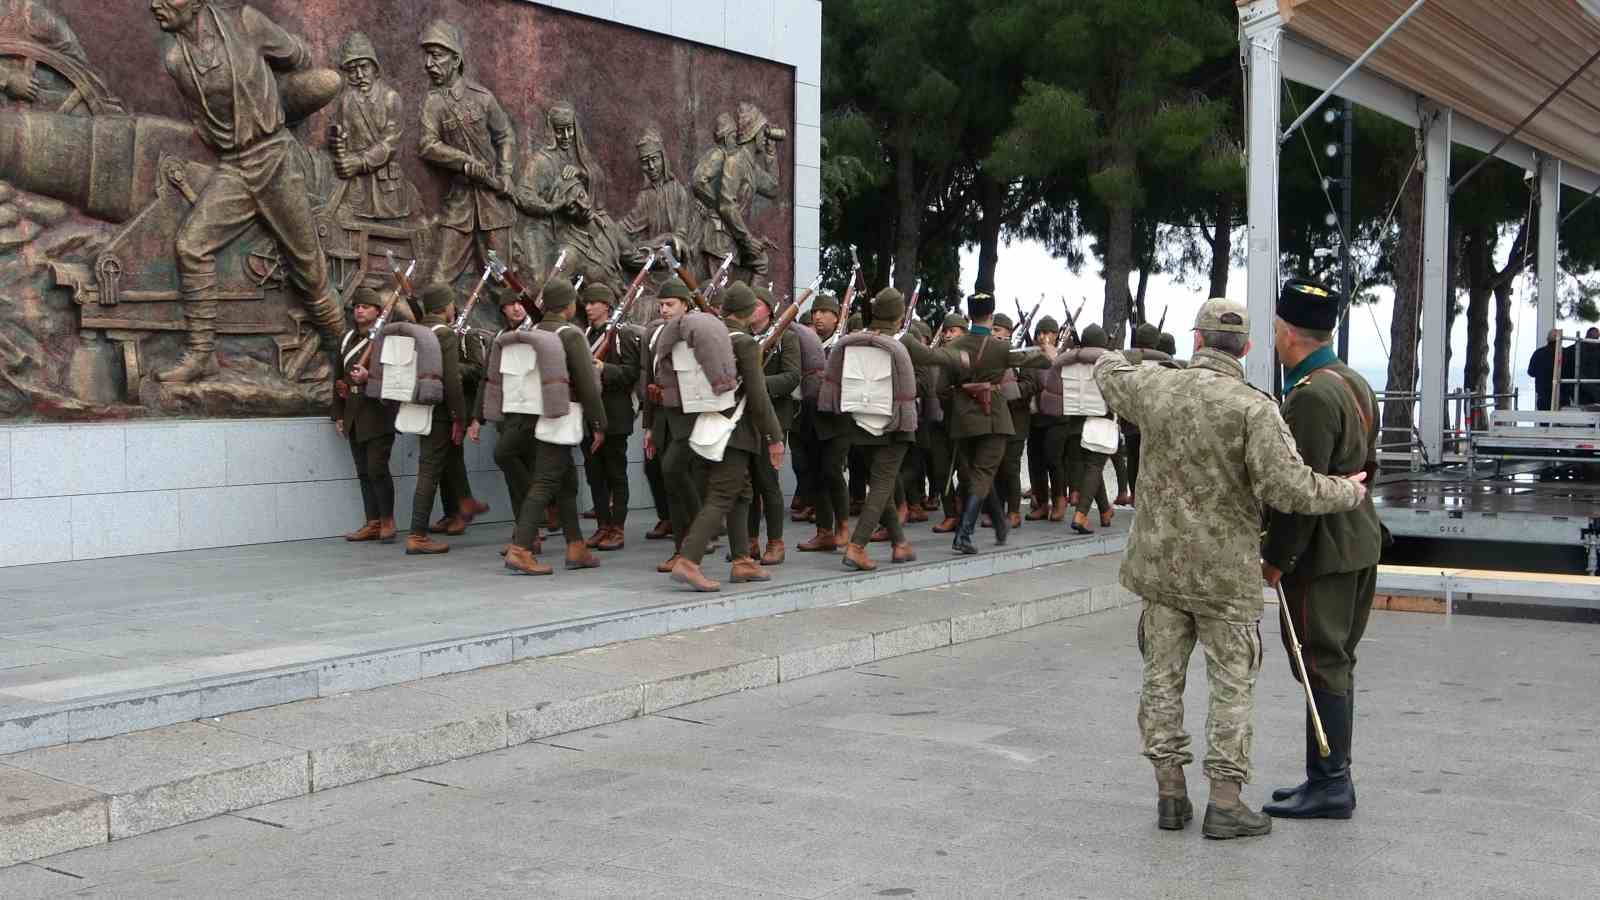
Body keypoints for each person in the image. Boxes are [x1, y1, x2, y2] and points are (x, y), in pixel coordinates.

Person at [1093, 297, 1369, 840]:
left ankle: (1170, 794)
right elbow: (1290, 488)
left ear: (1195, 340)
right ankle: (1225, 801)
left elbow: (1107, 369)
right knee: (1231, 688)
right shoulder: (1254, 407)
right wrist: (1347, 491)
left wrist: (1153, 357)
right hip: (1225, 578)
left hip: (1159, 571)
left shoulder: (1156, 390)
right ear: (1245, 348)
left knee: (1161, 680)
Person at [151, 0, 344, 382]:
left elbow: (296, 55)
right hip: (235, 167)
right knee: (191, 246)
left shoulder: (245, 22)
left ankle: (346, 353)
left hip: (275, 157)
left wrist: (276, 95)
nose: (156, 4)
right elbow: (200, 119)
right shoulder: (176, 60)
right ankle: (201, 355)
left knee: (310, 268)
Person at [1260, 278, 1384, 822]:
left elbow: (1297, 493)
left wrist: (1275, 559)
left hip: (1323, 551)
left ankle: (1331, 783)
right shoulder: (1352, 381)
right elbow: (1368, 466)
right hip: (1357, 538)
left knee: (1320, 663)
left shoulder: (1312, 395)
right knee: (1334, 660)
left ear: (1288, 333)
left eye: (1276, 330)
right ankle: (1327, 777)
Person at [666, 281, 786, 591]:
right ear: (748, 313)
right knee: (721, 496)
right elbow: (758, 397)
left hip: (706, 424)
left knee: (741, 492)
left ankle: (742, 560)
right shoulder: (744, 343)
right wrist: (774, 436)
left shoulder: (708, 340)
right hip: (734, 431)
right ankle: (688, 560)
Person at [502, 280, 608, 575]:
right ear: (569, 305)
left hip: (531, 414)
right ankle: (520, 548)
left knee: (566, 482)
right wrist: (599, 423)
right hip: (561, 415)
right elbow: (587, 385)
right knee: (546, 481)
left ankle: (576, 546)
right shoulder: (570, 334)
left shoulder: (529, 332)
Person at [935, 294, 1052, 555]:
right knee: (984, 474)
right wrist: (1049, 351)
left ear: (969, 313)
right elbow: (1039, 362)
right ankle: (963, 534)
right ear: (991, 314)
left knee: (978, 473)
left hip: (963, 421)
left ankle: (1000, 524)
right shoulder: (1000, 348)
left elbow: (940, 388)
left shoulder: (952, 348)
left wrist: (961, 404)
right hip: (994, 418)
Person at [417, 19, 516, 286]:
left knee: (503, 280)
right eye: (427, 56)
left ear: (456, 58)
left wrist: (506, 172)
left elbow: (505, 134)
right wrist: (463, 161)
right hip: (460, 201)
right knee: (440, 280)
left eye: (436, 56)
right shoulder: (433, 102)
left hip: (492, 202)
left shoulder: (482, 97)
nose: (428, 63)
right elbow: (427, 145)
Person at [641, 277, 704, 572]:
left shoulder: (695, 332)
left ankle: (699, 536)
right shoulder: (653, 334)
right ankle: (683, 547)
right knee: (672, 484)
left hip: (690, 416)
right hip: (664, 416)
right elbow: (647, 378)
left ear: (685, 304)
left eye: (670, 304)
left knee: (680, 476)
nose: (664, 310)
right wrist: (650, 425)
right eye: (661, 305)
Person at [468, 288, 536, 555]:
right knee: (513, 479)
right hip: (507, 417)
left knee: (528, 473)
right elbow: (489, 380)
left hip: (531, 416)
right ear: (503, 310)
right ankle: (525, 532)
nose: (517, 308)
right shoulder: (499, 338)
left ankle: (529, 532)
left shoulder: (537, 333)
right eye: (510, 305)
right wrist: (477, 417)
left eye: (520, 303)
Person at [405, 283, 469, 555]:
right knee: (429, 472)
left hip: (418, 407)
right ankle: (417, 535)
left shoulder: (416, 332)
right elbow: (452, 380)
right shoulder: (444, 334)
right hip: (441, 413)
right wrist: (459, 417)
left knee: (435, 466)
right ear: (445, 306)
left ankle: (462, 506)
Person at [332, 288, 397, 543]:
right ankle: (372, 522)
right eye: (357, 306)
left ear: (378, 312)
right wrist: (338, 413)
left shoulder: (386, 339)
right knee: (363, 471)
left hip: (378, 412)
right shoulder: (346, 338)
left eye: (366, 306)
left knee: (377, 469)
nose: (360, 310)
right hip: (353, 413)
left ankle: (388, 520)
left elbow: (396, 376)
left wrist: (370, 378)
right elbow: (338, 377)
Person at [581, 282, 642, 551]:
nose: (588, 307)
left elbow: (630, 373)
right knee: (594, 473)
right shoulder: (584, 334)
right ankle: (602, 525)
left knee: (616, 472)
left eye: (594, 302)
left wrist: (604, 368)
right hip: (590, 413)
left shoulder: (622, 335)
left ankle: (617, 527)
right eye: (586, 303)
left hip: (615, 414)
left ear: (606, 305)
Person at [745, 286, 801, 565]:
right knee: (747, 483)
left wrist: (757, 385)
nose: (751, 309)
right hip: (745, 418)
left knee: (768, 481)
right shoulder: (741, 337)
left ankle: (776, 542)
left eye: (756, 304)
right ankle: (750, 540)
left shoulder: (786, 337)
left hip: (775, 418)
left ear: (768, 308)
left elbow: (792, 377)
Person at [927, 312, 968, 533]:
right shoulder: (936, 356)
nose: (948, 335)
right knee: (941, 470)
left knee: (966, 471)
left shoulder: (970, 357)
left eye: (953, 331)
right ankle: (950, 513)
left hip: (963, 421)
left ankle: (964, 507)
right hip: (939, 421)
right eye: (946, 331)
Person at [1025, 316, 1061, 521]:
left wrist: (1052, 357)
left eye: (1047, 332)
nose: (1042, 337)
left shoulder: (1062, 357)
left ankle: (1058, 502)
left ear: (1056, 335)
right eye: (1039, 333)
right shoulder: (1030, 356)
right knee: (1035, 461)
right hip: (1034, 415)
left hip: (1056, 417)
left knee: (1053, 461)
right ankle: (1041, 503)